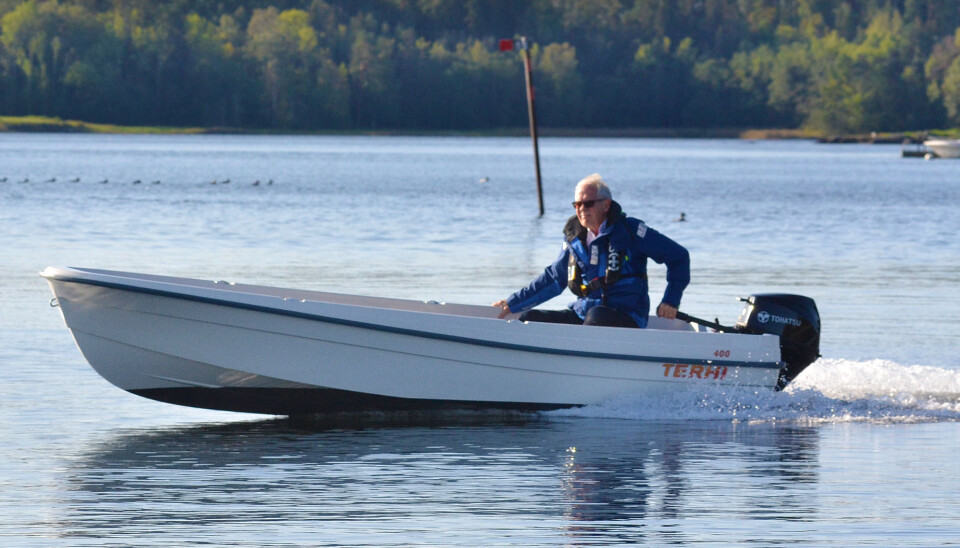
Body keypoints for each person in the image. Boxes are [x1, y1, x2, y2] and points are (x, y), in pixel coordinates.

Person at [492, 173, 689, 328]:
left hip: (627, 316)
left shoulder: (632, 231)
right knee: (530, 319)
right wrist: (513, 303)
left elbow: (679, 257)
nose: (581, 209)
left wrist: (671, 301)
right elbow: (554, 278)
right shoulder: (573, 238)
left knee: (596, 316)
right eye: (577, 204)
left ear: (606, 205)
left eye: (588, 203)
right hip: (584, 315)